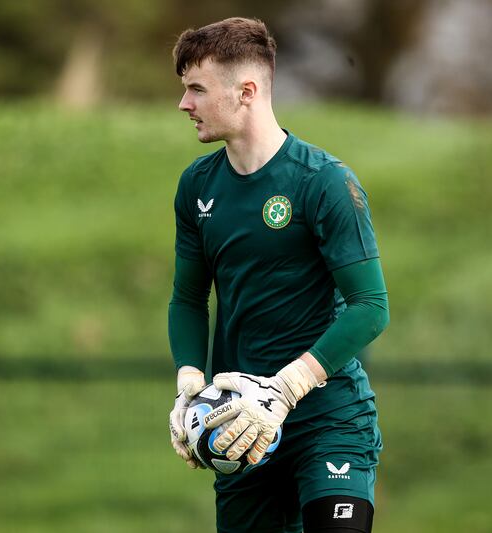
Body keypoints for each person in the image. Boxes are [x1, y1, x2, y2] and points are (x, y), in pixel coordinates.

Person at [166, 18, 389, 533]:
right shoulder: (196, 187)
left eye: (196, 89)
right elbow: (187, 298)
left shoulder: (325, 182)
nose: (184, 104)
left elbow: (371, 307)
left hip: (327, 419)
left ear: (246, 92)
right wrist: (190, 383)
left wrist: (286, 389)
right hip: (241, 430)